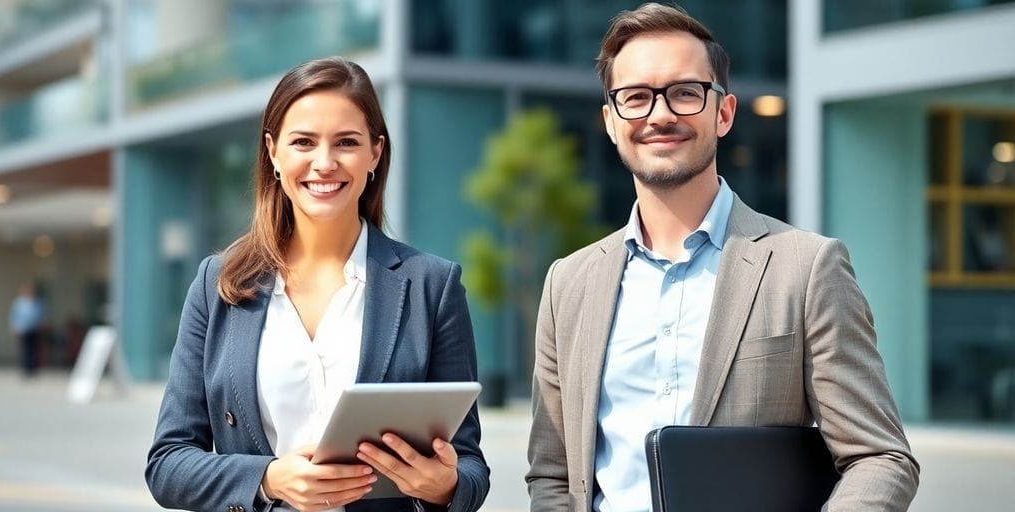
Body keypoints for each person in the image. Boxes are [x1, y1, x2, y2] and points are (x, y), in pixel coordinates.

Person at [525, 3, 919, 511]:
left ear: (724, 112)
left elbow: (881, 457)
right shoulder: (568, 283)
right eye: (636, 97)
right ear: (611, 120)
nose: (659, 114)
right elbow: (552, 474)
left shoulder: (807, 268)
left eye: (686, 93)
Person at [146, 57, 489, 512]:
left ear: (375, 153)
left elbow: (470, 468)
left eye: (346, 142)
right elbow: (168, 465)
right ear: (273, 152)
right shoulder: (219, 284)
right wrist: (268, 479)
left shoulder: (433, 286)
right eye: (303, 142)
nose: (324, 164)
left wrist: (442, 485)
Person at [9, 282, 44, 377]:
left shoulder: (37, 302)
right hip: (23, 329)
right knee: (24, 349)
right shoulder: (18, 303)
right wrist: (15, 327)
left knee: (33, 349)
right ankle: (25, 369)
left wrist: (41, 324)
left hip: (34, 329)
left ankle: (32, 369)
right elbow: (14, 316)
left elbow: (41, 315)